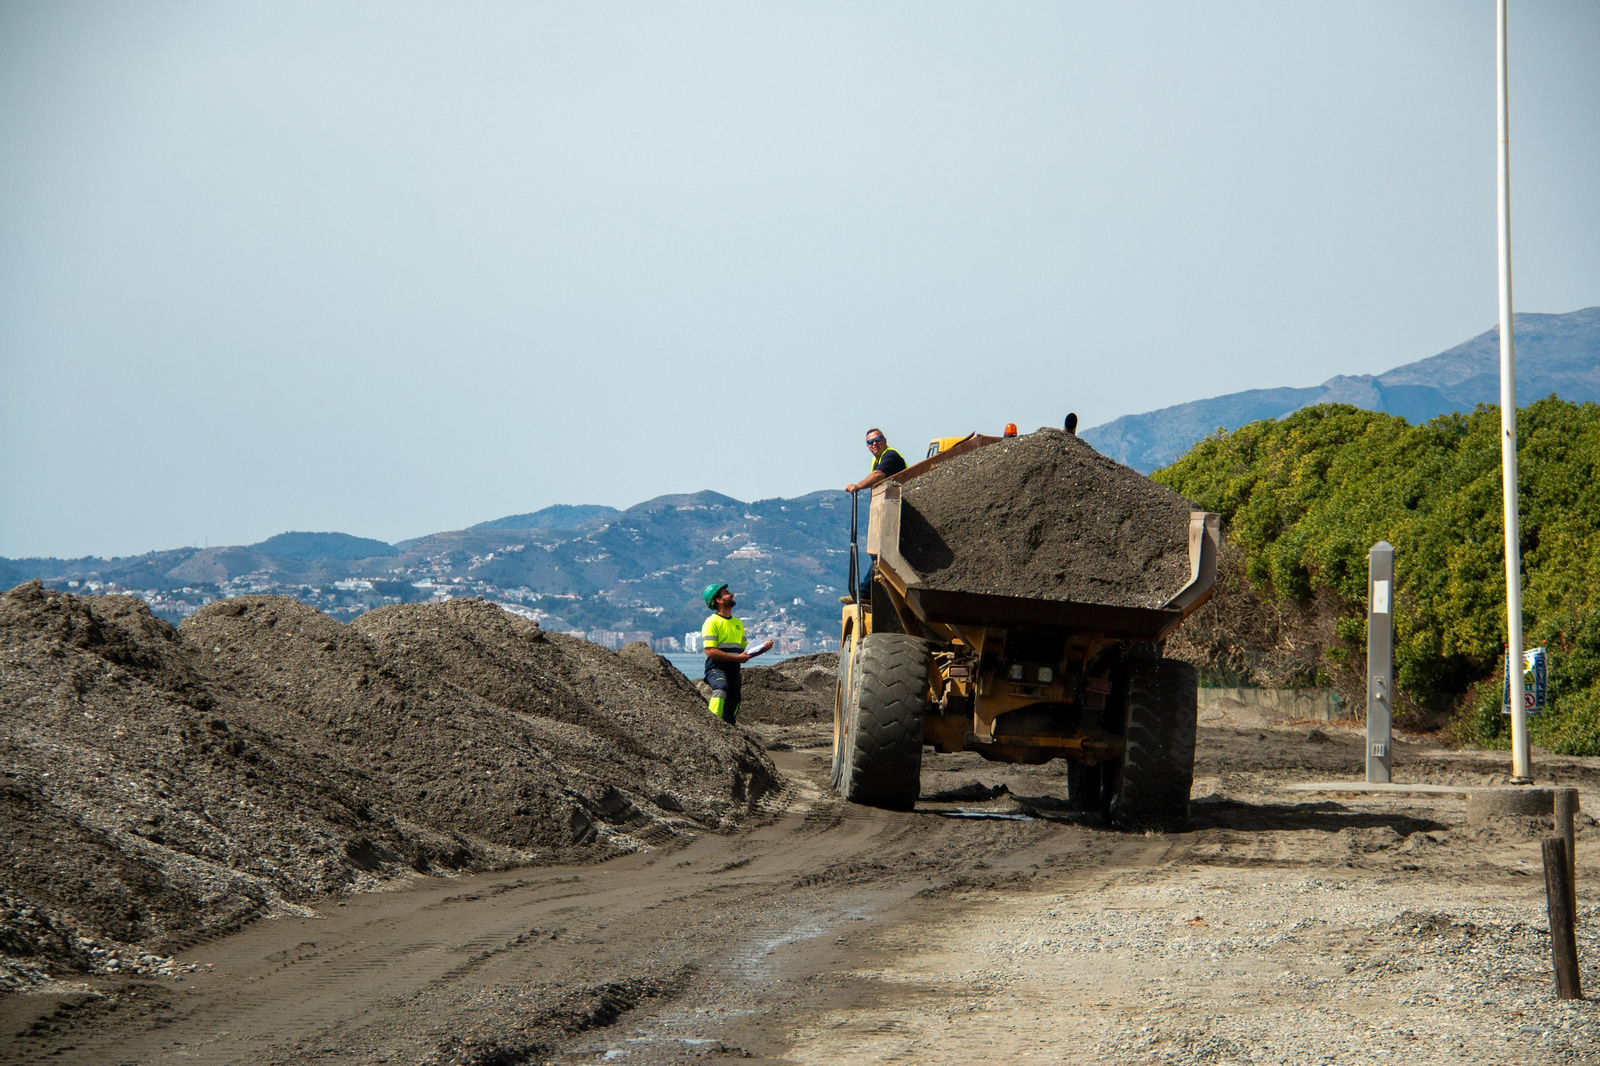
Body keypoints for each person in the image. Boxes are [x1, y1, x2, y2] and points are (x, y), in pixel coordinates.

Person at [699, 583, 773, 725]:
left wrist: (763, 648)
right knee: (721, 687)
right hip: (716, 667)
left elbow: (744, 651)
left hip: (734, 669)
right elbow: (710, 652)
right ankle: (711, 723)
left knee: (734, 700)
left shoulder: (738, 623)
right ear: (719, 600)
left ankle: (729, 727)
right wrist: (737, 658)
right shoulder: (711, 622)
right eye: (726, 592)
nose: (731, 594)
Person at [844, 428, 906, 494]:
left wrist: (858, 486)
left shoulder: (890, 454)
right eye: (870, 442)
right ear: (867, 446)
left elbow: (878, 474)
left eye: (878, 440)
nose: (874, 443)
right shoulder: (875, 460)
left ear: (885, 440)